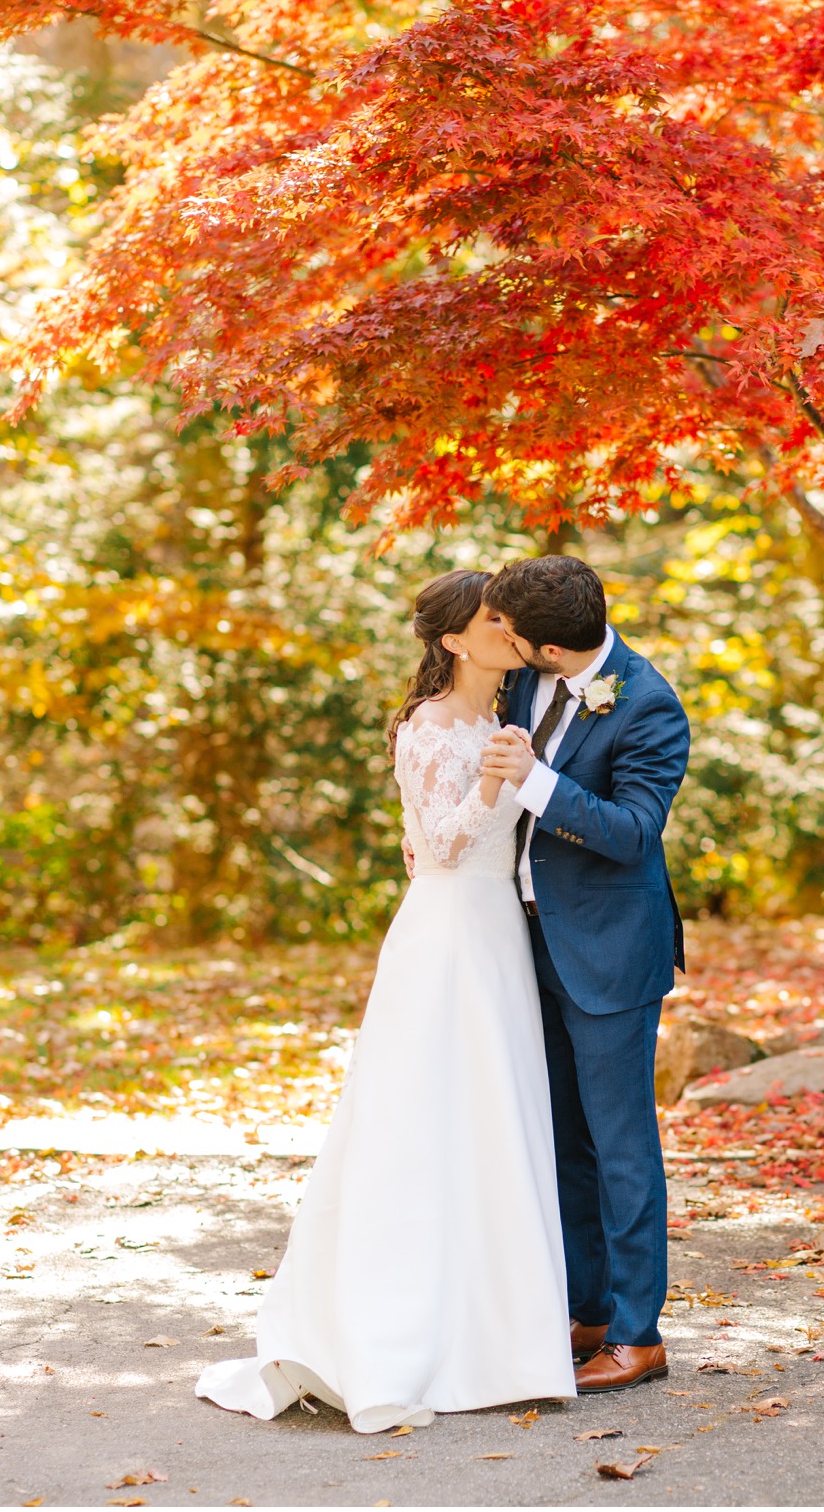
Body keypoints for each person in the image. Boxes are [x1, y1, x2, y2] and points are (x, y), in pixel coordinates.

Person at [195, 569, 576, 1434]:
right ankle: (395, 1339)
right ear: (452, 640)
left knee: (492, 1121)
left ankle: (502, 1341)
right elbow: (436, 842)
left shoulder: (502, 719)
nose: (507, 630)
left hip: (496, 938)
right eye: (491, 619)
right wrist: (492, 781)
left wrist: (504, 769)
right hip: (444, 939)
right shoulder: (430, 727)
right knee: (418, 1126)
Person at [480, 555, 691, 1393]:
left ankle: (640, 1335)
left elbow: (634, 831)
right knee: (565, 1140)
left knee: (622, 1145)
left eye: (512, 636)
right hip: (528, 942)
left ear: (552, 650)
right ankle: (589, 1308)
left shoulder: (647, 702)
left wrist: (536, 781)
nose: (505, 643)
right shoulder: (526, 684)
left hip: (610, 954)